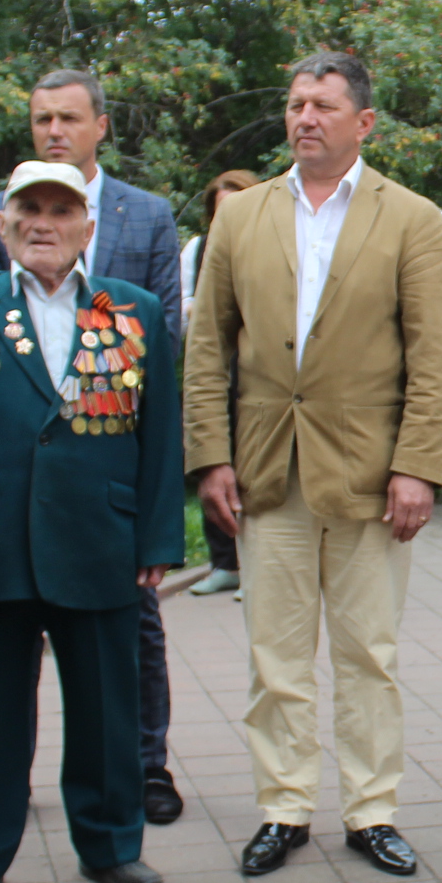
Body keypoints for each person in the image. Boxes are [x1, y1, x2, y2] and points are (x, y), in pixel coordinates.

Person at [186, 53, 442, 879]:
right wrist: (210, 456)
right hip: (266, 469)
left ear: (363, 123)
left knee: (367, 653)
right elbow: (207, 349)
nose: (304, 117)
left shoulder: (411, 219)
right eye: (296, 103)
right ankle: (284, 807)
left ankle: (372, 810)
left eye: (323, 105)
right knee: (275, 656)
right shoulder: (242, 217)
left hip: (371, 476)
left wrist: (418, 468)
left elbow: (435, 358)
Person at [0, 160, 185, 883]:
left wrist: (157, 536)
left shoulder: (130, 310)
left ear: (87, 227)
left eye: (62, 211)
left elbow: (159, 433)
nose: (43, 224)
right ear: (2, 223)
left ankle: (112, 846)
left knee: (108, 710)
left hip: (101, 538)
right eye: (28, 209)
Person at [0, 70, 190, 826]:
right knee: (10, 638)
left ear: (101, 126)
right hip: (19, 474)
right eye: (41, 119)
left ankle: (143, 766)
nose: (54, 130)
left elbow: (162, 335)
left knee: (133, 633)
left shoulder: (145, 213)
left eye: (68, 117)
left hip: (107, 467)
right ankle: (9, 783)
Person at [179, 168, 259, 598]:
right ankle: (224, 563)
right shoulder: (197, 250)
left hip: (260, 374)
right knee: (211, 459)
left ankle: (256, 566)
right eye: (218, 211)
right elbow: (184, 307)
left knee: (255, 466)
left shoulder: (272, 244)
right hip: (215, 372)